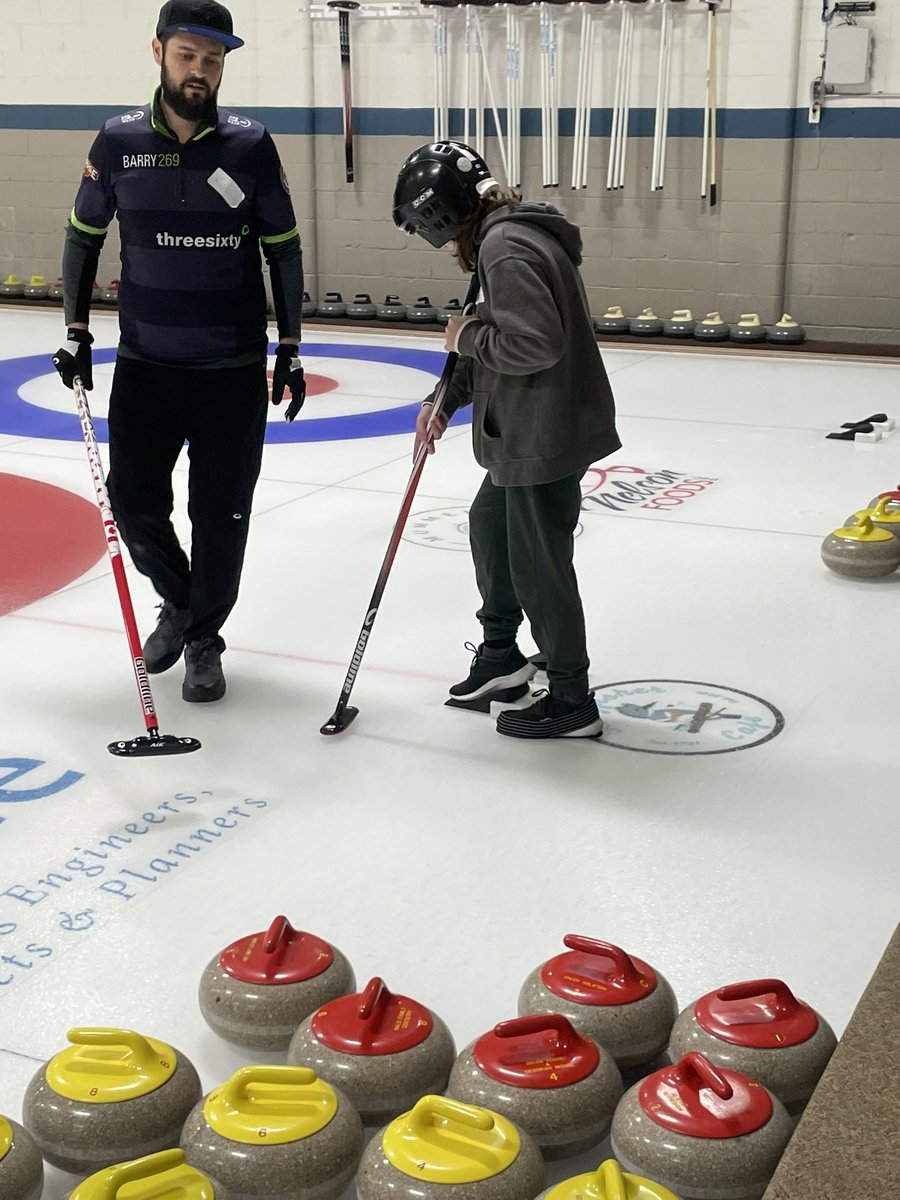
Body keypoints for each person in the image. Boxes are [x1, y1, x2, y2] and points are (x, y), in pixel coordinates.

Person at [52, 0, 305, 704]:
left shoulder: (250, 146)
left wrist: (289, 345)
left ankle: (201, 642)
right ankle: (186, 605)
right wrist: (76, 330)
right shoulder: (117, 142)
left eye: (214, 59)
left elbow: (282, 249)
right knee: (133, 504)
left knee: (221, 519)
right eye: (189, 55)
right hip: (146, 368)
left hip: (229, 372)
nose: (200, 71)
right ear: (159, 52)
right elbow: (82, 235)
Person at [393, 141, 621, 739]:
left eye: (430, 232)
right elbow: (500, 335)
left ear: (440, 214)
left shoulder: (503, 246)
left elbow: (533, 343)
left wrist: (465, 337)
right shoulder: (505, 235)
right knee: (489, 525)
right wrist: (443, 398)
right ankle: (502, 658)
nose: (440, 248)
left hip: (543, 434)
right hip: (527, 427)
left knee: (540, 567)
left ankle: (570, 697)